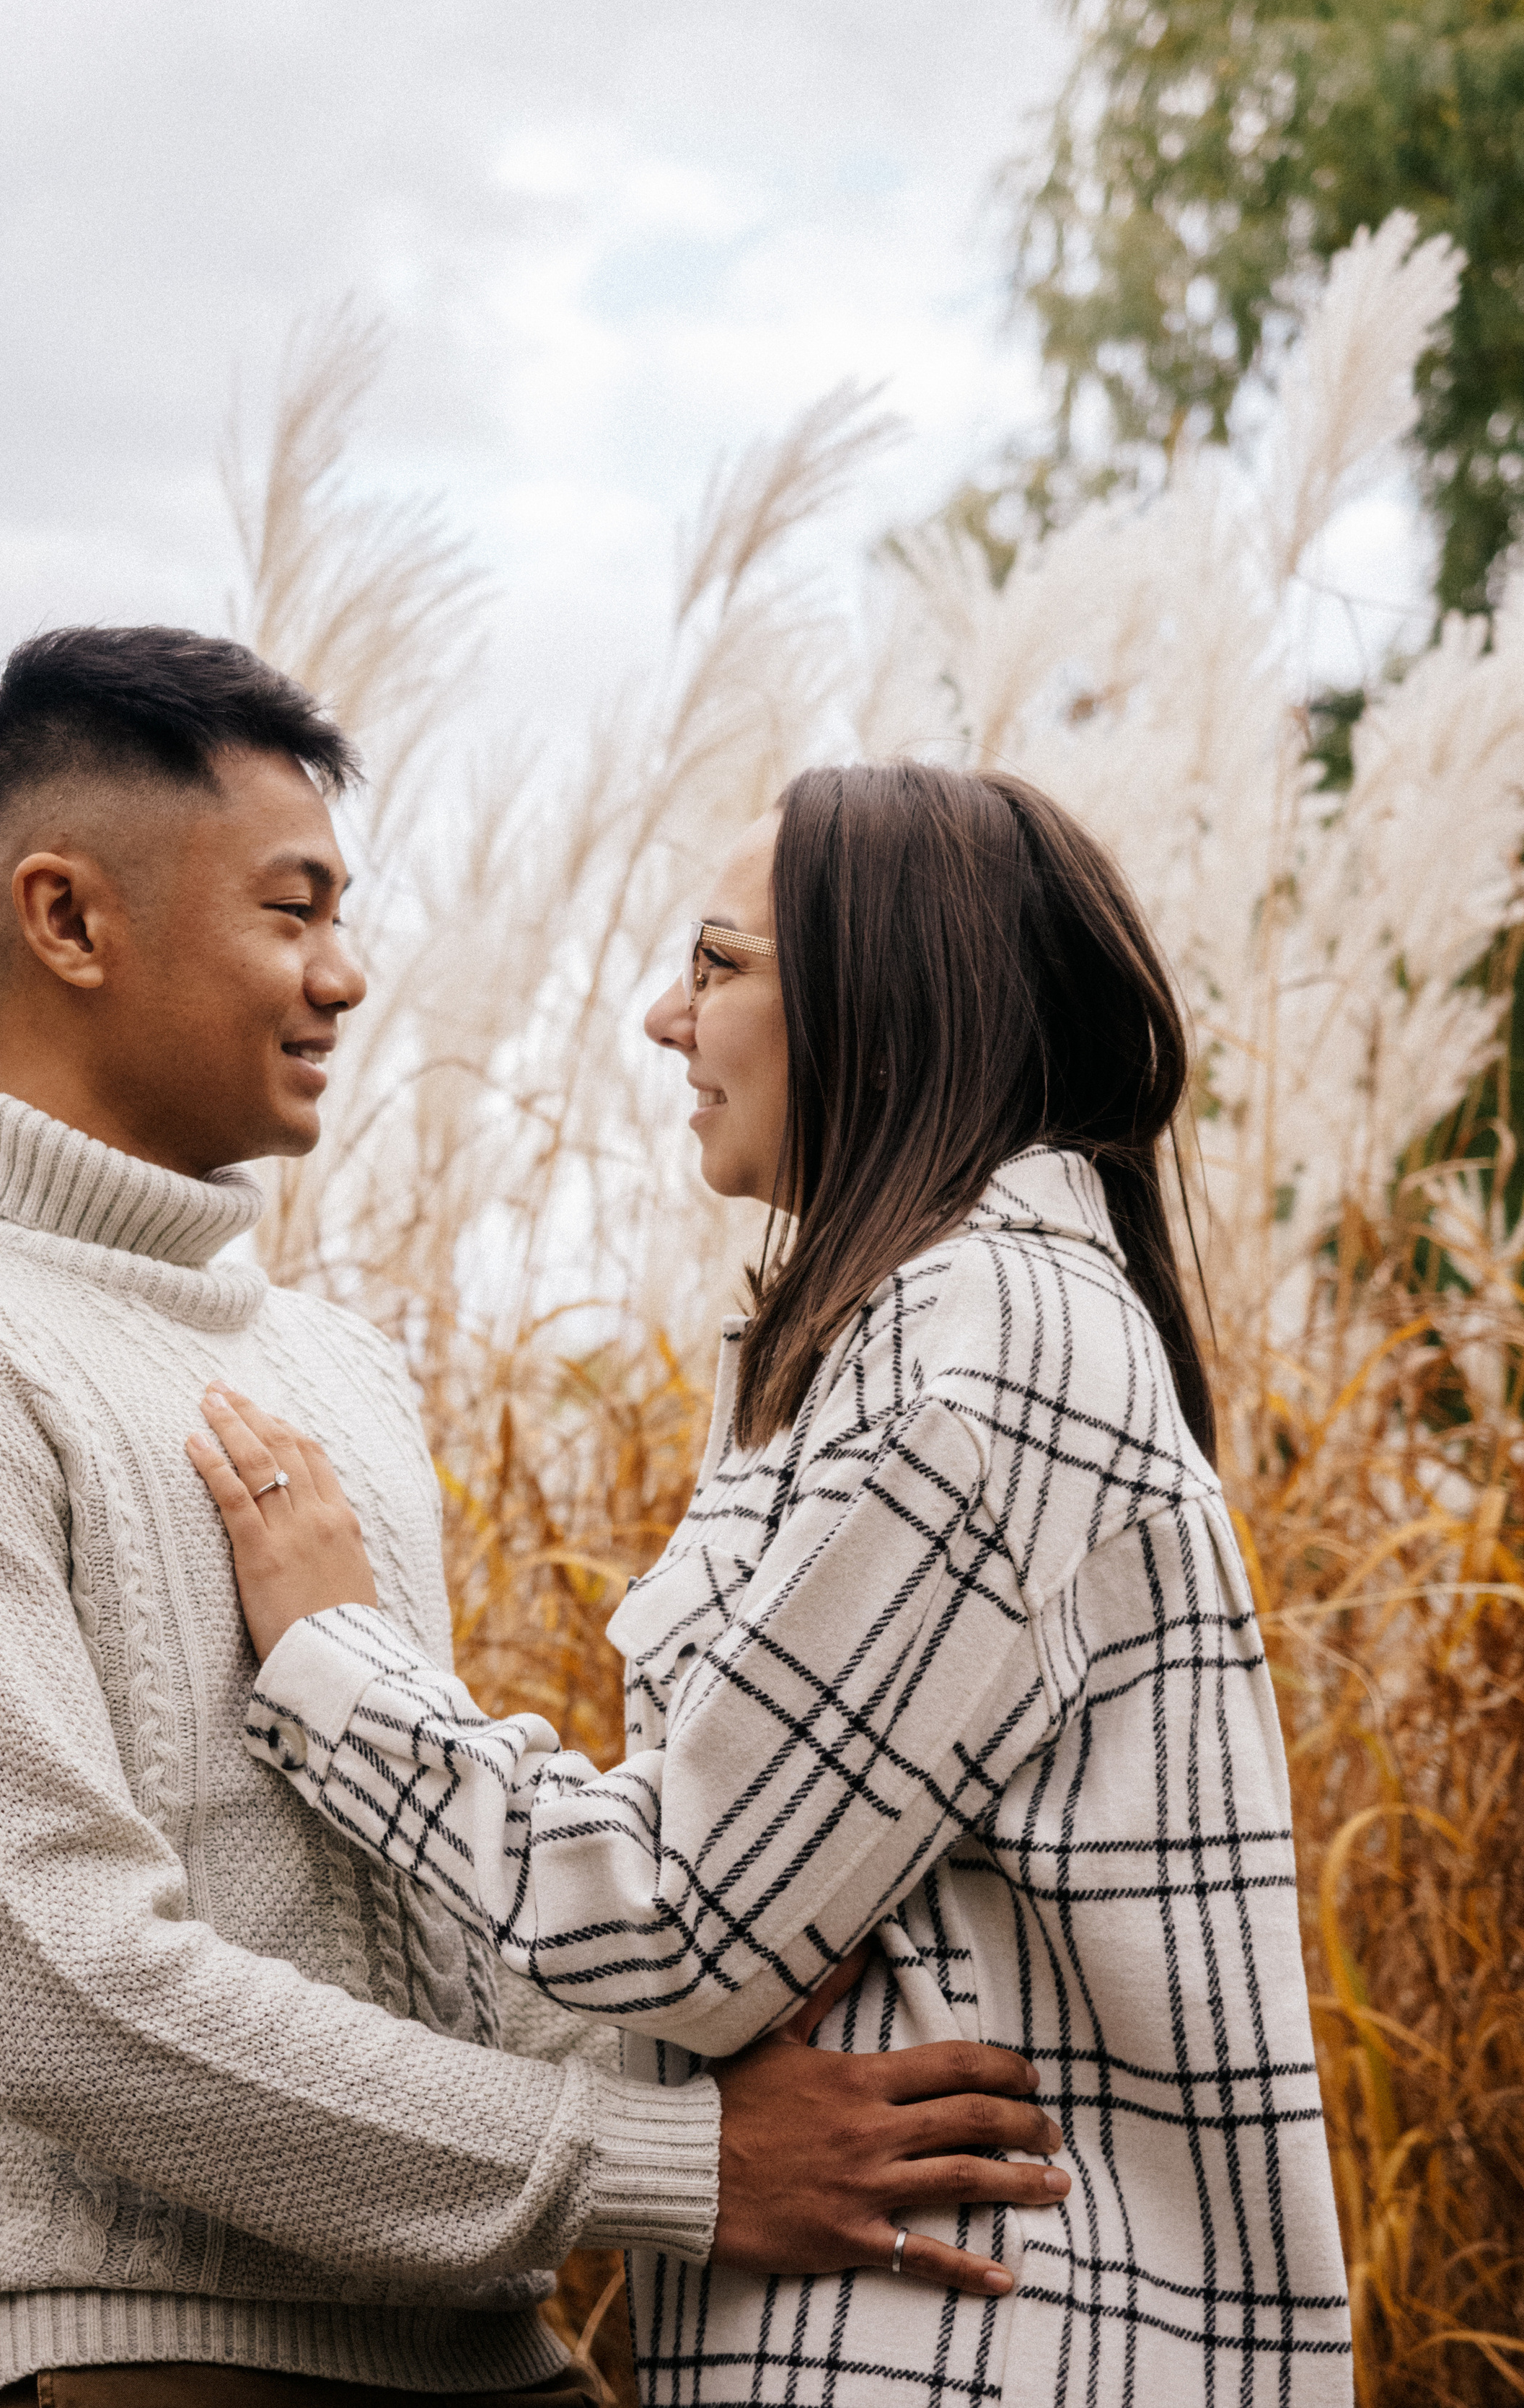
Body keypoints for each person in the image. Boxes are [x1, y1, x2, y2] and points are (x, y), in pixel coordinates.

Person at [0, 633, 1066, 2408]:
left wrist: (723, 2047)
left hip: (481, 2354)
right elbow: (62, 1995)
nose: (346, 976)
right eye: (291, 912)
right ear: (67, 922)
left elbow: (447, 1937)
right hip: (135, 2360)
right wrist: (675, 2167)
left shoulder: (339, 1368)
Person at [195, 763, 1355, 2408]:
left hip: (959, 2346)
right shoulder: (903, 1339)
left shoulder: (991, 1346)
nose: (664, 1019)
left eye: (720, 965)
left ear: (887, 1011)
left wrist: (338, 1656)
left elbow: (679, 1917)